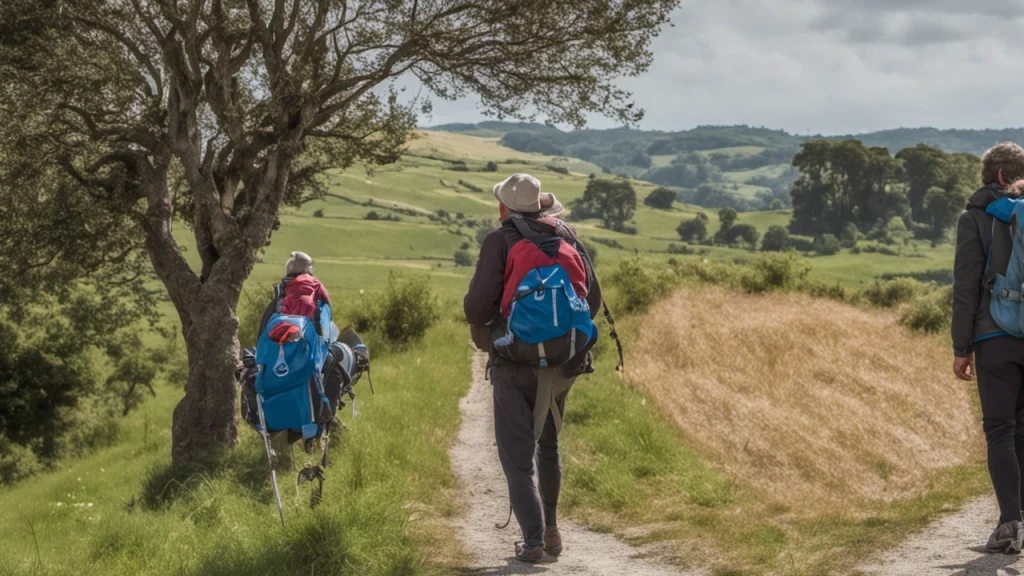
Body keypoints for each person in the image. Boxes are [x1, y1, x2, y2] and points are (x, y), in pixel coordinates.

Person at [464, 174, 602, 563]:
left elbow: (475, 307)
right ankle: (553, 530)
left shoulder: (499, 240)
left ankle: (534, 542)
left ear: (503, 208)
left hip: (514, 359)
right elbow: (591, 302)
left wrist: (500, 330)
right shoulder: (566, 237)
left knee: (516, 455)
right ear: (541, 205)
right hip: (564, 361)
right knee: (549, 443)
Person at [952, 142, 1024, 554]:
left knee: (1000, 431)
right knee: (1023, 433)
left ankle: (1010, 525)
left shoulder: (974, 218)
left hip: (994, 337)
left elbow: (965, 288)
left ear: (996, 176)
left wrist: (961, 346)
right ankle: (1011, 524)